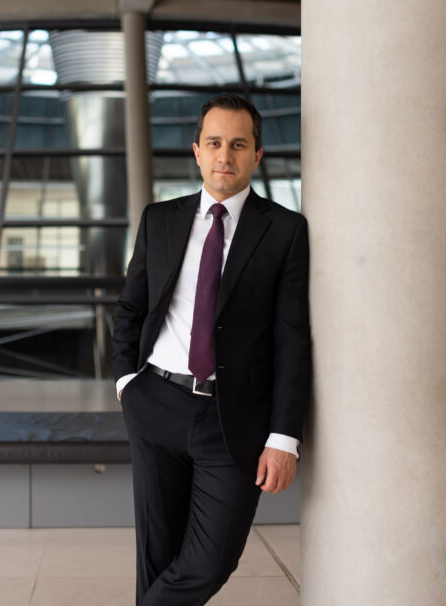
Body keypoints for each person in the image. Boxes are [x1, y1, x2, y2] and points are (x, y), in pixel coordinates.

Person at [113, 93, 311, 605]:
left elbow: (292, 337)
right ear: (197, 151)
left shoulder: (285, 231)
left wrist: (284, 437)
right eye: (215, 143)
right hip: (155, 402)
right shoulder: (159, 219)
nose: (226, 155)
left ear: (257, 155)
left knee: (208, 563)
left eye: (239, 145)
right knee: (157, 556)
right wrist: (126, 385)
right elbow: (131, 309)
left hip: (234, 419)